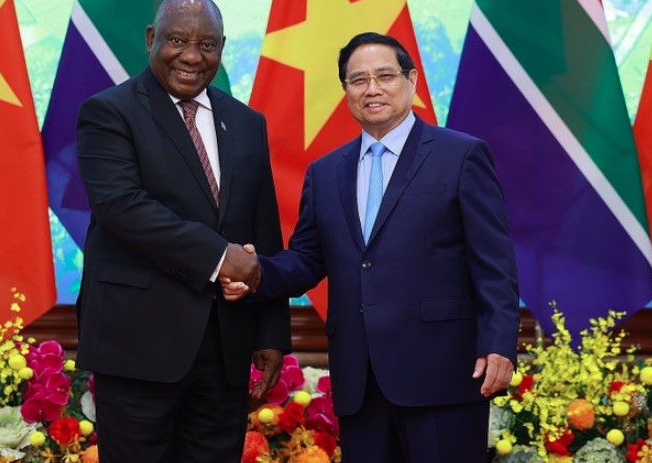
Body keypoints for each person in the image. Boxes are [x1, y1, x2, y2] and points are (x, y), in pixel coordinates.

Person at [223, 32, 520, 463]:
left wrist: (498, 343)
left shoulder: (461, 156)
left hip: (443, 373)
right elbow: (307, 259)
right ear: (346, 91)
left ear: (412, 80)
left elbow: (494, 263)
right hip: (360, 380)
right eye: (358, 79)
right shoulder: (326, 173)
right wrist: (255, 273)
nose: (372, 88)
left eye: (385, 76)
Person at [75, 0, 290, 463]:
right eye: (177, 40)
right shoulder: (109, 112)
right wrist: (220, 257)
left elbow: (263, 228)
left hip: (225, 347)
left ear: (222, 48)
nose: (192, 56)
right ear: (151, 39)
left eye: (207, 45)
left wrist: (271, 330)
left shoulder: (247, 122)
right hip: (138, 346)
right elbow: (122, 208)